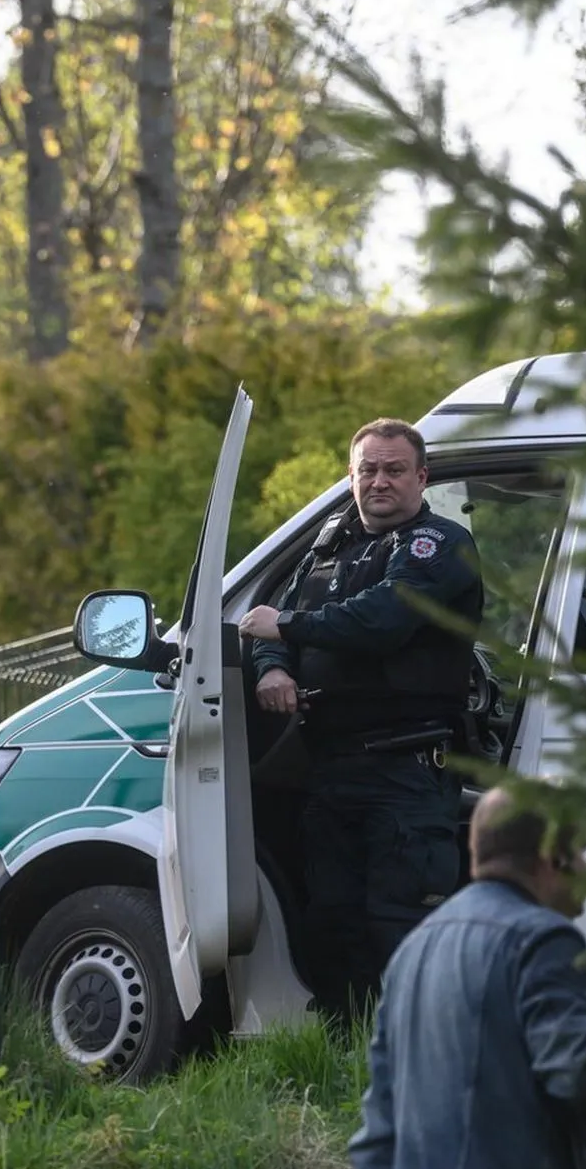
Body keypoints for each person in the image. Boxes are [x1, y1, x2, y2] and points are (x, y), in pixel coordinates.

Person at [238, 417, 484, 1022]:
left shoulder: (440, 545)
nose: (380, 481)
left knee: (400, 928)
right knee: (332, 926)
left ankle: (416, 1064)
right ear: (351, 477)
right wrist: (273, 668)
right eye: (368, 469)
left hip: (407, 773)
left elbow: (380, 621)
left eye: (394, 469)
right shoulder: (329, 548)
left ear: (421, 477)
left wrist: (287, 628)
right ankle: (344, 1069)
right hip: (331, 770)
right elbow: (274, 620)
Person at [347, 785, 586, 1169]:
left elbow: (378, 1133)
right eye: (581, 852)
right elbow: (582, 1072)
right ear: (552, 858)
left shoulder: (414, 949)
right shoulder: (543, 938)